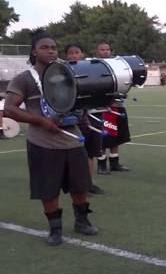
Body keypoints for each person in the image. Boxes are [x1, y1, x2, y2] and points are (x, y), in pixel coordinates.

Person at [3, 33, 98, 246]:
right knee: (48, 188)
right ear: (34, 51)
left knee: (80, 185)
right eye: (45, 47)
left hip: (72, 139)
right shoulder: (25, 78)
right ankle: (55, 229)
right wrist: (40, 121)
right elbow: (9, 109)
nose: (51, 51)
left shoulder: (67, 73)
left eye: (54, 47)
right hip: (42, 142)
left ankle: (82, 221)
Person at [64, 43, 105, 195]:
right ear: (66, 55)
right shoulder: (63, 70)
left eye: (77, 52)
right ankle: (78, 184)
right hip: (73, 118)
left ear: (82, 54)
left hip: (90, 115)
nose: (74, 56)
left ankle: (88, 183)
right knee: (78, 154)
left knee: (91, 152)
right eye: (71, 53)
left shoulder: (90, 69)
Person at [94, 41, 131, 174]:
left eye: (107, 49)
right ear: (97, 51)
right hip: (103, 108)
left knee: (117, 136)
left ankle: (115, 163)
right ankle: (101, 164)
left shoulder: (117, 65)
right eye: (102, 49)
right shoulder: (94, 66)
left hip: (118, 105)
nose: (105, 52)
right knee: (104, 137)